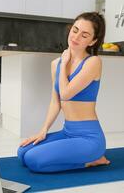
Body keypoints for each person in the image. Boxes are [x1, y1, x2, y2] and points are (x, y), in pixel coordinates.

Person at [17, 12, 110, 173]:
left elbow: (66, 93)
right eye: (75, 30)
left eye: (84, 35)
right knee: (22, 152)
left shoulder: (93, 62)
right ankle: (81, 157)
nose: (76, 37)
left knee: (33, 160)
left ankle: (92, 160)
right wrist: (43, 131)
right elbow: (56, 101)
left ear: (93, 41)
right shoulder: (55, 64)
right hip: (68, 132)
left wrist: (65, 61)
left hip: (89, 138)